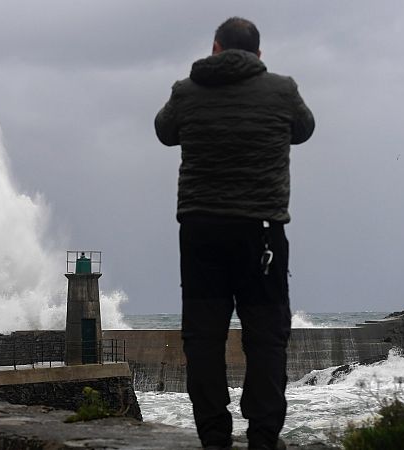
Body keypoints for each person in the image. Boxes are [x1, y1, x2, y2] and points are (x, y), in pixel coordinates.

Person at [154, 17, 315, 450]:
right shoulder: (282, 90)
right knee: (265, 336)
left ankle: (214, 436)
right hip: (261, 233)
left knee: (203, 338)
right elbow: (304, 129)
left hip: (201, 232)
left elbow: (163, 132)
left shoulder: (187, 90)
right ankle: (263, 436)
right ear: (259, 56)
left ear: (215, 48)